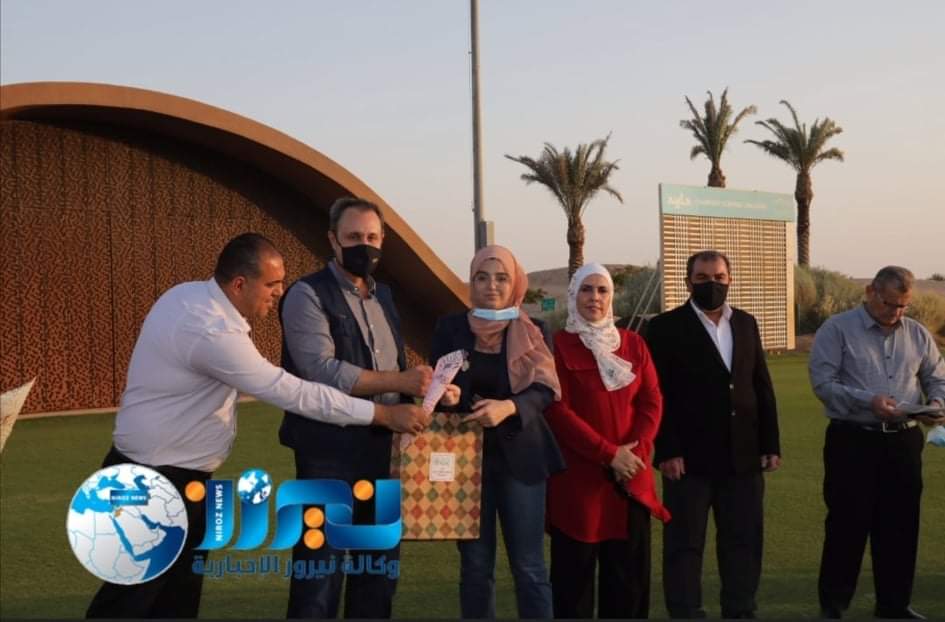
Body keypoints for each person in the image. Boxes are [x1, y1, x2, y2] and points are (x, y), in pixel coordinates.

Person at [85, 233, 429, 619]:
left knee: (173, 602)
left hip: (171, 477)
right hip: (157, 482)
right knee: (129, 602)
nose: (280, 292)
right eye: (271, 284)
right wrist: (382, 414)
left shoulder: (186, 295)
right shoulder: (212, 331)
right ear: (239, 284)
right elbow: (291, 391)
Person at [278, 197, 445, 619]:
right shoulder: (306, 294)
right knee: (319, 575)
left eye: (372, 237)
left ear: (383, 240)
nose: (364, 245)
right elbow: (321, 370)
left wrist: (430, 389)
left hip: (383, 452)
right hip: (326, 453)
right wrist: (400, 381)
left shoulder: (384, 296)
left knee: (377, 575)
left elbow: (393, 365)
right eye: (353, 237)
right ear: (333, 240)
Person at [644, 250, 781, 619]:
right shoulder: (665, 327)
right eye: (703, 278)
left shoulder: (746, 323)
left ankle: (740, 610)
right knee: (685, 545)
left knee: (743, 542)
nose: (712, 284)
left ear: (729, 279)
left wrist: (770, 443)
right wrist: (667, 450)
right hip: (688, 460)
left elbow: (760, 386)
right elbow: (657, 395)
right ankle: (686, 611)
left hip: (743, 457)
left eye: (719, 277)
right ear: (688, 283)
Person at [430, 244, 565, 619]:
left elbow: (545, 390)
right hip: (465, 465)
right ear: (471, 282)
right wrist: (448, 396)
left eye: (501, 278)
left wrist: (509, 407)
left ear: (515, 283)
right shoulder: (450, 328)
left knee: (529, 567)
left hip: (522, 460)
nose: (491, 285)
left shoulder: (534, 330)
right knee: (475, 568)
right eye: (482, 277)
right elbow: (438, 383)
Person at [809, 265, 945, 620]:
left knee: (901, 526)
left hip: (904, 441)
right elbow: (823, 383)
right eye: (890, 304)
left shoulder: (917, 333)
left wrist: (936, 403)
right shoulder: (837, 329)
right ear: (871, 291)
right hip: (853, 440)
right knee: (846, 525)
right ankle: (833, 606)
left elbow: (937, 377)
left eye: (904, 305)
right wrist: (868, 401)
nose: (897, 312)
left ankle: (894, 605)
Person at [545, 263, 670, 619]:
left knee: (628, 584)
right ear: (573, 295)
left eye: (602, 290)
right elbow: (557, 411)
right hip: (579, 483)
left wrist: (635, 452)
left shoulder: (634, 344)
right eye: (586, 289)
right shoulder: (557, 346)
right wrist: (609, 454)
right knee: (574, 587)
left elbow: (652, 401)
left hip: (630, 478)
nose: (594, 297)